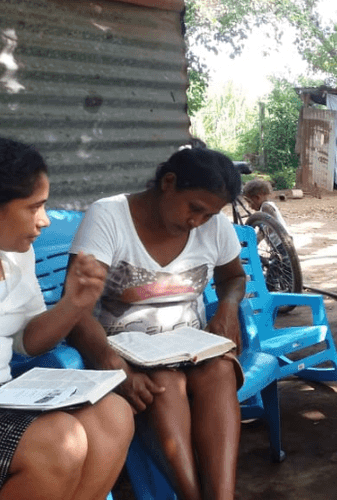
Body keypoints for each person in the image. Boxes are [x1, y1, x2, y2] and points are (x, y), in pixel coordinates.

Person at [68, 147, 246, 500]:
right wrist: (113, 365)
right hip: (129, 349)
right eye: (194, 208)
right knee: (164, 383)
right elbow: (75, 309)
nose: (199, 222)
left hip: (192, 344)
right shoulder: (109, 217)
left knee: (220, 372)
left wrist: (226, 307)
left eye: (209, 215)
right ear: (168, 182)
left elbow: (234, 278)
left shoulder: (214, 226)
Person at [0, 137, 134, 499]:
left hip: (6, 397)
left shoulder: (15, 256)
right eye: (34, 207)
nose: (43, 221)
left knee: (114, 415)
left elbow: (27, 343)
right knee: (59, 441)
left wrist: (74, 304)